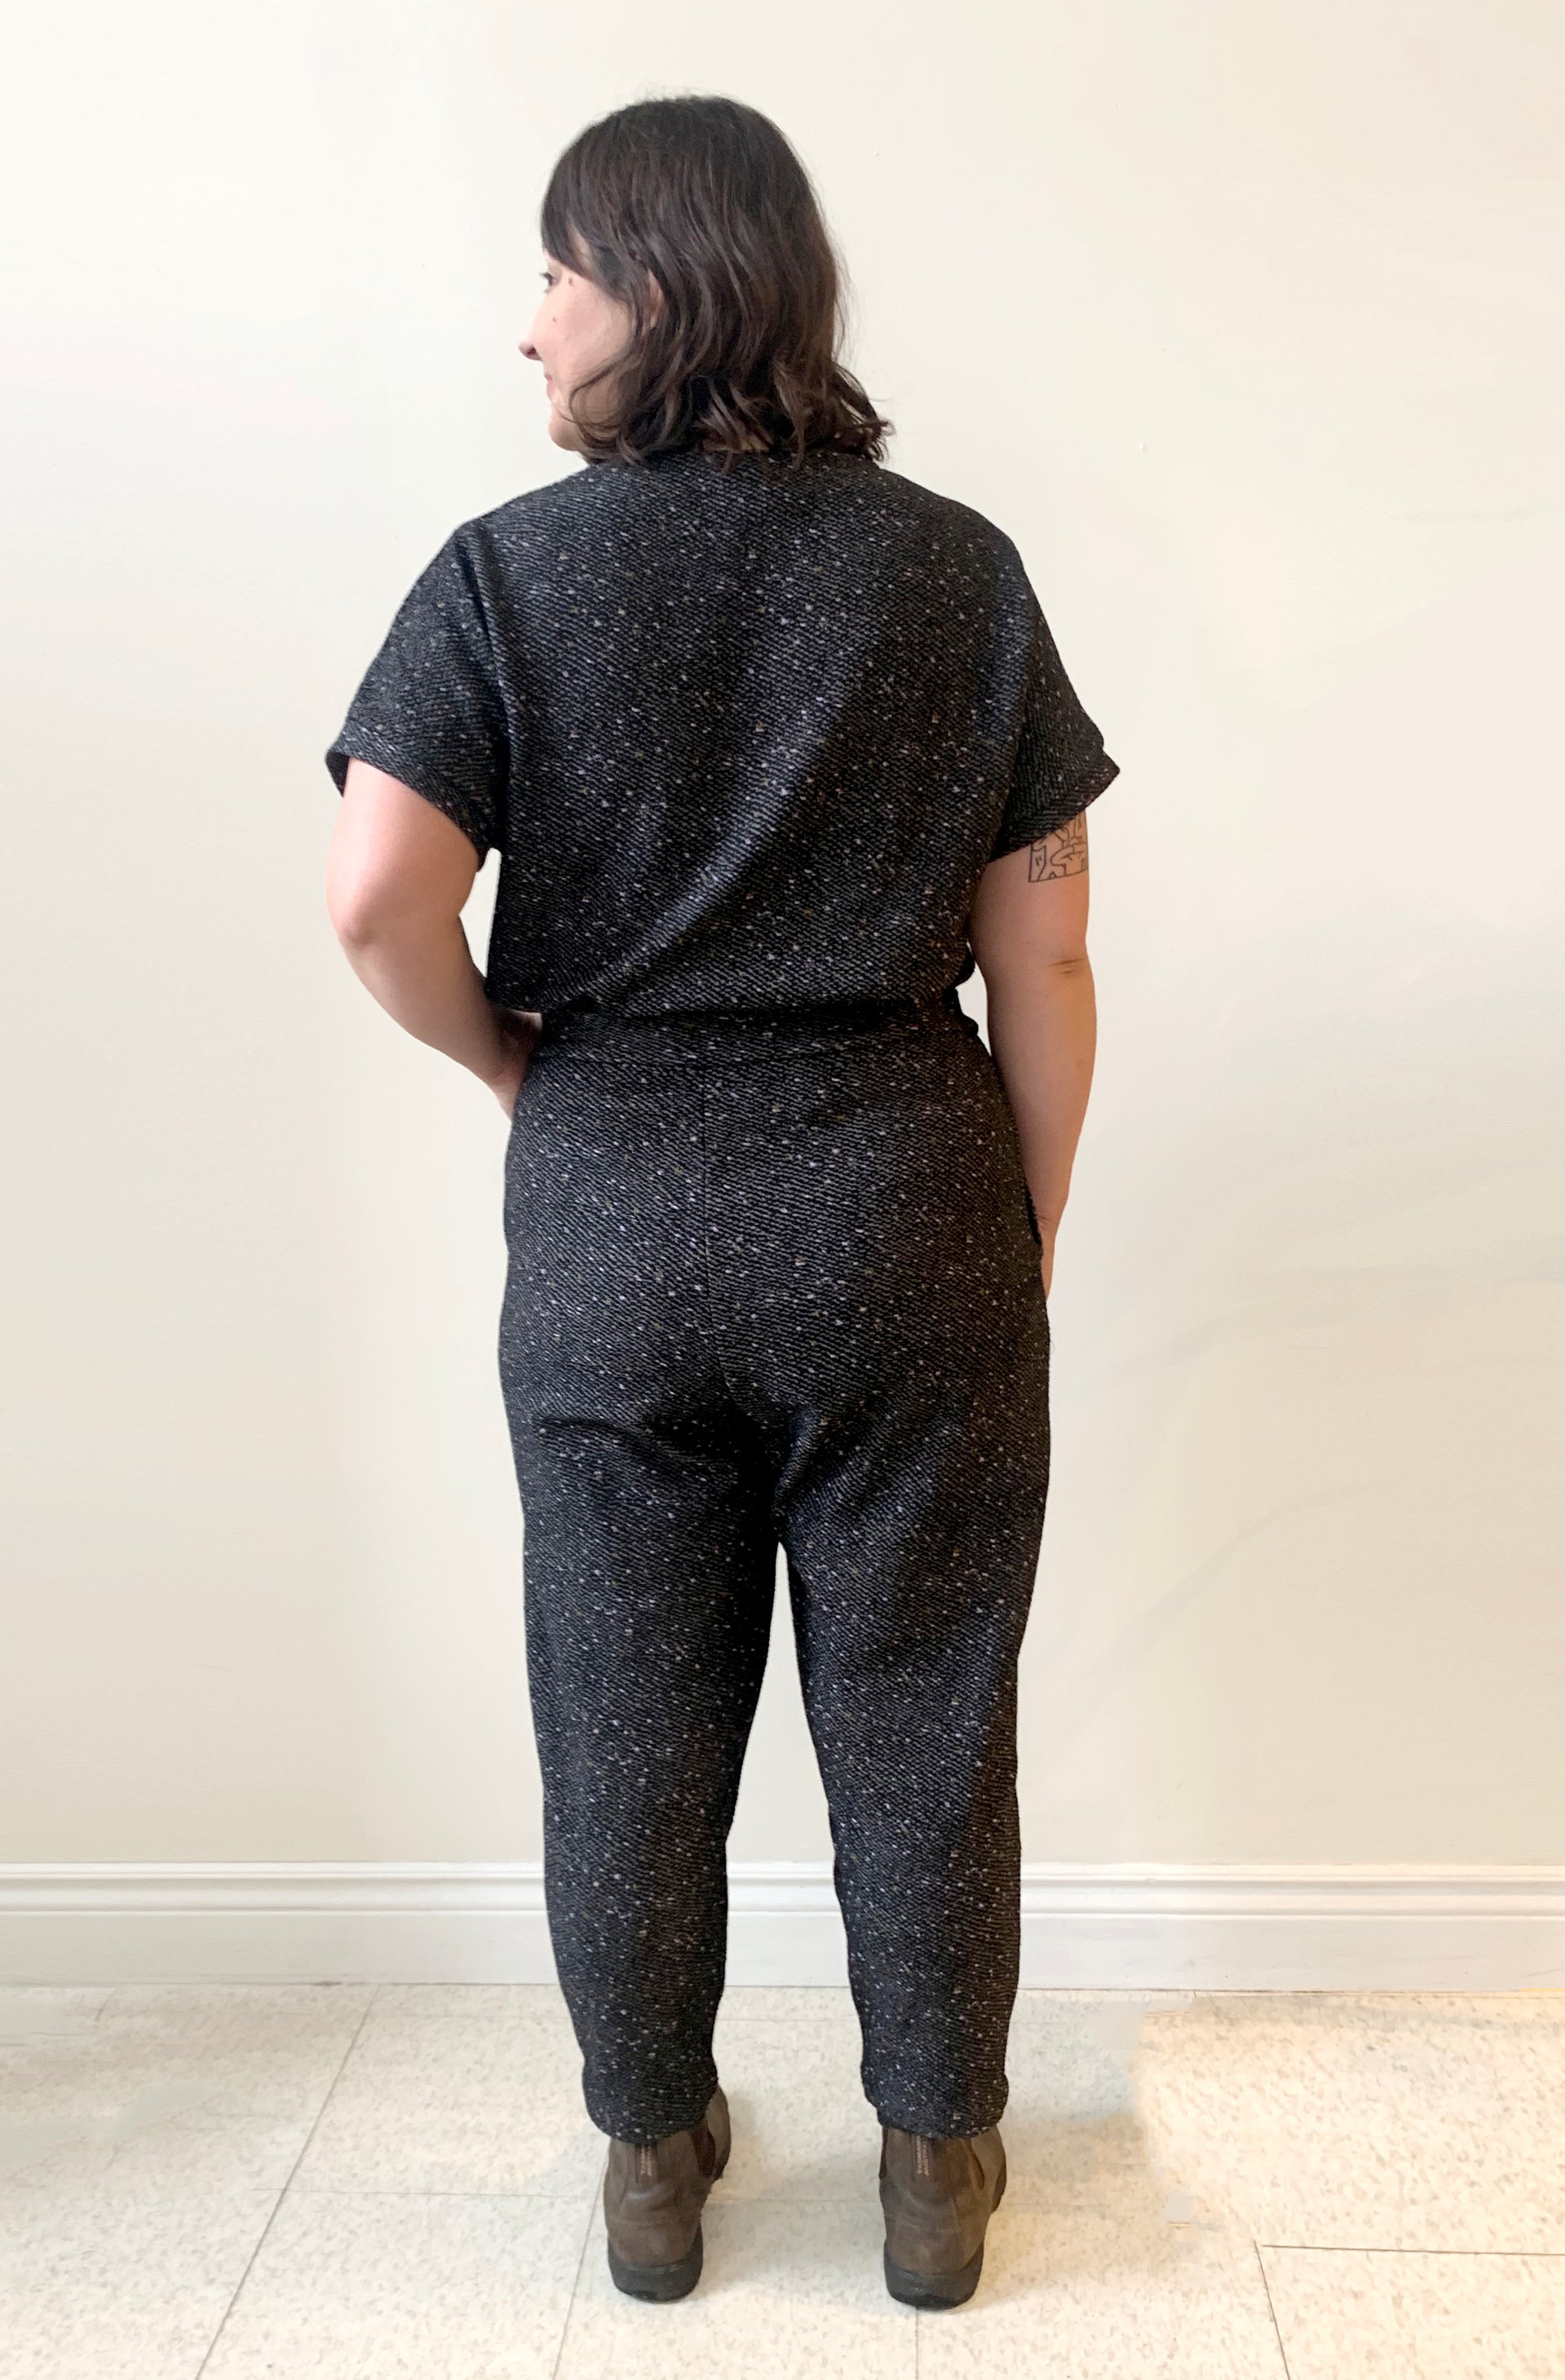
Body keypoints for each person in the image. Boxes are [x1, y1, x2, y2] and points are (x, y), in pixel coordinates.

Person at [322, 93, 1120, 2312]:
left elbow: (375, 894)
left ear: (658, 286)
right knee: (925, 1713)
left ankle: (654, 2161)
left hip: (614, 1220)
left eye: (556, 273)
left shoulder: (504, 576)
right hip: (906, 1205)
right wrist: (1020, 1228)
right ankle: (933, 2167)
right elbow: (1047, 956)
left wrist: (515, 1062)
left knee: (623, 1714)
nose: (529, 325)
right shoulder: (954, 570)